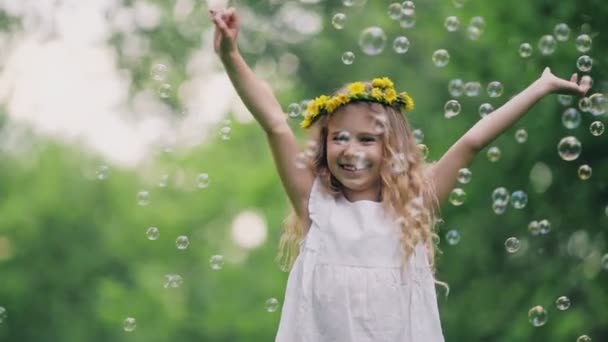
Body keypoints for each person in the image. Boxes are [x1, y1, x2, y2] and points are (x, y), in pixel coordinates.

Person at [210, 7, 591, 342]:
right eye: (339, 137)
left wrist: (540, 87)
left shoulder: (414, 203)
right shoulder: (316, 204)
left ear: (391, 150)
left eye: (367, 139)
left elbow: (473, 140)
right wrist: (230, 54)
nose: (351, 150)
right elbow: (276, 124)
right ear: (324, 145)